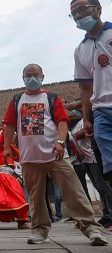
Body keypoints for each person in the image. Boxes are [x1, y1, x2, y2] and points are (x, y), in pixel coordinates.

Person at [3, 63, 107, 246]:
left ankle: (92, 229)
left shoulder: (51, 98)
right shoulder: (16, 100)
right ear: (23, 78)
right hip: (29, 158)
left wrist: (60, 143)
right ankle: (40, 230)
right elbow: (9, 125)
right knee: (35, 197)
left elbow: (62, 122)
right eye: (28, 75)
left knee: (74, 191)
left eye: (36, 75)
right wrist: (6, 148)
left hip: (55, 155)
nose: (32, 78)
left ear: (43, 77)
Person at [71, 0, 112, 180]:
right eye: (74, 13)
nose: (79, 15)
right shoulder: (80, 50)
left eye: (82, 9)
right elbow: (86, 88)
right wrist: (86, 118)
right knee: (108, 165)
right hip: (101, 111)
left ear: (98, 9)